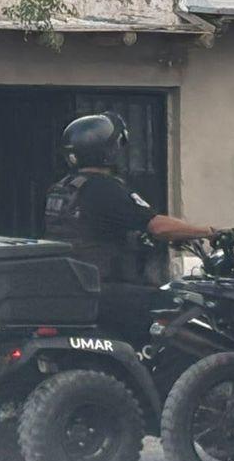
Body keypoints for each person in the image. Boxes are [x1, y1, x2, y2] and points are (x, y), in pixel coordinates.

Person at [43, 112, 218, 350]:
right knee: (178, 302)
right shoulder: (105, 189)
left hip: (75, 286)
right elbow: (157, 226)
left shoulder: (63, 189)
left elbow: (96, 227)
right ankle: (170, 377)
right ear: (108, 151)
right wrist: (208, 231)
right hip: (103, 289)